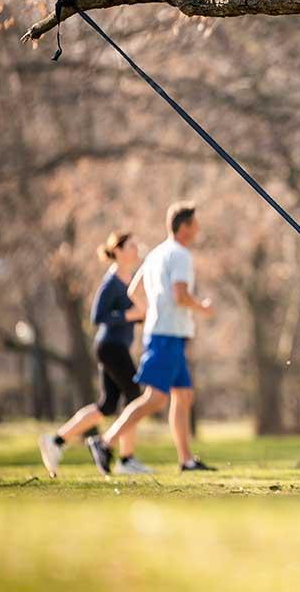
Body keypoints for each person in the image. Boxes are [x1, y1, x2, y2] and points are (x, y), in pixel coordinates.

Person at [87, 202, 216, 474]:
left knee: (183, 396)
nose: (199, 228)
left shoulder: (157, 253)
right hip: (167, 335)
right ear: (184, 227)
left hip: (168, 334)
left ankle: (186, 460)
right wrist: (202, 308)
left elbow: (135, 290)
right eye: (195, 223)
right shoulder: (180, 254)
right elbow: (180, 295)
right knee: (155, 399)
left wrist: (152, 310)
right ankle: (104, 442)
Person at [37, 231, 152, 477]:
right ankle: (126, 459)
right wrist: (129, 316)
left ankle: (56, 441)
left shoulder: (128, 280)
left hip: (115, 347)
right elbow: (97, 317)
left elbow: (132, 316)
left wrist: (141, 316)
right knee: (134, 396)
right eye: (131, 246)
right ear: (118, 251)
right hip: (110, 347)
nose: (136, 250)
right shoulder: (111, 281)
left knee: (108, 405)